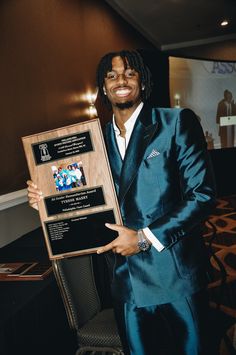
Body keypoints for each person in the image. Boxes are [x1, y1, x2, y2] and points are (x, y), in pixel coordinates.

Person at [27, 50, 216, 355]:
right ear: (104, 88)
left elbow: (202, 195)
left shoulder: (176, 122)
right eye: (112, 75)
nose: (121, 80)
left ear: (142, 81)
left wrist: (143, 238)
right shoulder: (93, 140)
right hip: (126, 283)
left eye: (130, 72)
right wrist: (47, 203)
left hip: (175, 278)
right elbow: (81, 200)